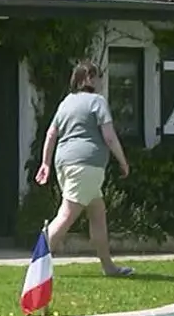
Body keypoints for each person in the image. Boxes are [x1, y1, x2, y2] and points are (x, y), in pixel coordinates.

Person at [33, 60, 135, 277]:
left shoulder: (66, 103)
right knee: (67, 214)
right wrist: (123, 161)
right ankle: (36, 266)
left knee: (97, 212)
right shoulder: (97, 102)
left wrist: (46, 163)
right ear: (88, 78)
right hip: (86, 166)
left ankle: (109, 267)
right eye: (97, 76)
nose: (100, 81)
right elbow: (108, 136)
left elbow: (51, 134)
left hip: (65, 164)